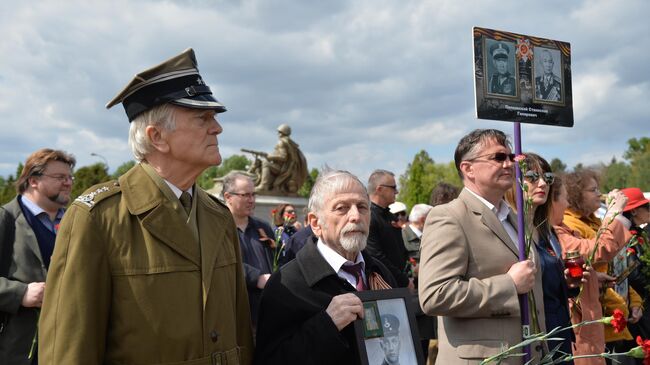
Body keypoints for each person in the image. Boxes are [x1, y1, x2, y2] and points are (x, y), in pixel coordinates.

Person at [38, 48, 254, 364]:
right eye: (202, 117)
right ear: (157, 137)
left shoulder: (218, 216)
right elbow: (68, 350)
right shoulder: (98, 218)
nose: (217, 127)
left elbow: (239, 333)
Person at [418, 129, 545, 364]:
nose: (509, 164)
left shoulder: (514, 219)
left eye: (510, 157)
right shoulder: (449, 217)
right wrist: (508, 285)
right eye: (498, 157)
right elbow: (435, 295)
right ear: (468, 169)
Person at [253, 169, 397, 365]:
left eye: (362, 207)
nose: (355, 216)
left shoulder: (380, 273)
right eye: (341, 208)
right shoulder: (287, 284)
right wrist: (327, 324)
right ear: (315, 223)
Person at [0, 149, 75, 365]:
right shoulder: (5, 219)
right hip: (14, 351)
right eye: (60, 177)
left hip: (63, 349)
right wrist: (20, 293)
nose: (68, 183)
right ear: (33, 181)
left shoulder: (76, 222)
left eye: (70, 177)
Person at [505, 153, 576, 363]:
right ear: (513, 183)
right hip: (534, 336)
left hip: (559, 330)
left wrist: (568, 282)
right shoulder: (507, 230)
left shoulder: (546, 230)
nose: (543, 183)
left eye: (547, 177)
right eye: (532, 177)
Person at [556, 170, 632, 364]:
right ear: (574, 195)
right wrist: (615, 213)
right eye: (593, 189)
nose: (599, 193)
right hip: (585, 311)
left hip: (599, 307)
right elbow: (598, 249)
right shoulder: (568, 222)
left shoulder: (591, 221)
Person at [222, 172, 274, 328]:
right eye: (245, 195)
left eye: (253, 195)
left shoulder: (262, 227)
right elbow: (221, 263)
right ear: (228, 197)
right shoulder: (218, 228)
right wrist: (256, 278)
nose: (251, 200)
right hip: (234, 314)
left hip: (265, 313)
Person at [366, 170, 412, 289]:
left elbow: (399, 250)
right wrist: (404, 281)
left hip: (399, 279)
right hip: (385, 285)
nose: (396, 191)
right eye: (393, 187)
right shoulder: (369, 217)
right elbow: (377, 257)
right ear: (379, 189)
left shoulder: (389, 215)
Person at [255, 124, 308, 195]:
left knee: (265, 163)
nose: (278, 134)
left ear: (283, 133)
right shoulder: (289, 142)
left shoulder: (282, 142)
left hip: (283, 168)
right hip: (288, 168)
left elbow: (283, 157)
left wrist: (269, 157)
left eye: (279, 132)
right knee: (261, 162)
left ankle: (264, 186)